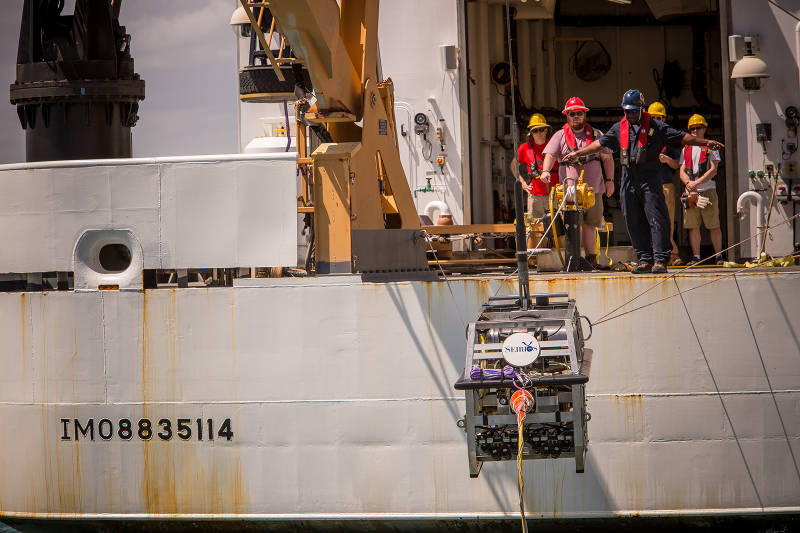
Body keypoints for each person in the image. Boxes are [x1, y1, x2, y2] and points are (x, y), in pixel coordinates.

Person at [561, 90, 724, 274]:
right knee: (633, 219)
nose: (629, 115)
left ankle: (661, 260)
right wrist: (577, 153)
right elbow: (600, 144)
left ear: (641, 110)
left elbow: (682, 137)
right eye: (626, 111)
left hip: (649, 177)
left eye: (633, 111)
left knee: (657, 218)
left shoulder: (656, 126)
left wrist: (705, 142)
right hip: (628, 178)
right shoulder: (619, 128)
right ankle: (645, 259)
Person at [540, 97, 615, 268]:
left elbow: (607, 158)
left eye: (579, 113)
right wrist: (545, 171)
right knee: (571, 226)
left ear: (584, 114)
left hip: (593, 189)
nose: (576, 116)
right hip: (570, 192)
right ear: (567, 116)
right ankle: (572, 260)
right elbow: (550, 155)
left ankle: (591, 260)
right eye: (572, 114)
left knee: (590, 225)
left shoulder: (597, 135)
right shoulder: (559, 136)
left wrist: (610, 181)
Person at [679, 114, 723, 265]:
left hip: (708, 190)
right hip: (691, 192)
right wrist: (688, 184)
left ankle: (719, 256)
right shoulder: (686, 148)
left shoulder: (711, 146)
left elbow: (714, 169)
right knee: (692, 226)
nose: (695, 131)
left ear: (704, 128)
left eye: (698, 128)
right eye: (692, 128)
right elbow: (682, 170)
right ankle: (696, 257)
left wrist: (695, 183)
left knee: (713, 225)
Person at [647, 102, 683, 266]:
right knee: (649, 221)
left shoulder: (669, 138)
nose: (656, 120)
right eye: (653, 117)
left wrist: (666, 159)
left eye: (659, 117)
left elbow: (677, 164)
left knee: (667, 221)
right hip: (647, 185)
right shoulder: (642, 137)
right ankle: (650, 255)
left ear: (664, 119)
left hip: (666, 185)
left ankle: (672, 255)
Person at [510, 113, 559, 218]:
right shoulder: (524, 148)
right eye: (535, 130)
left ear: (546, 130)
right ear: (531, 133)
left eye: (541, 129)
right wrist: (522, 183)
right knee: (534, 230)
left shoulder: (555, 145)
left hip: (555, 195)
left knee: (556, 229)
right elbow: (514, 166)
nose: (538, 133)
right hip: (534, 196)